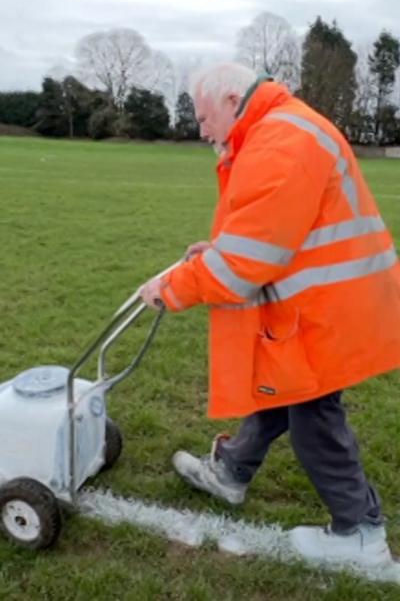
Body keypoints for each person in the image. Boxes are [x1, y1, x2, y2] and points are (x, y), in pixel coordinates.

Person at [140, 63, 400, 566]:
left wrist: (169, 288)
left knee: (314, 414)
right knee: (283, 387)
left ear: (233, 101)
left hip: (327, 307)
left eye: (204, 117)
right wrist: (218, 247)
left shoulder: (279, 141)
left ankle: (361, 535)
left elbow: (241, 267)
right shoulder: (282, 128)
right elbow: (272, 232)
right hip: (332, 298)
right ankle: (233, 469)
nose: (201, 130)